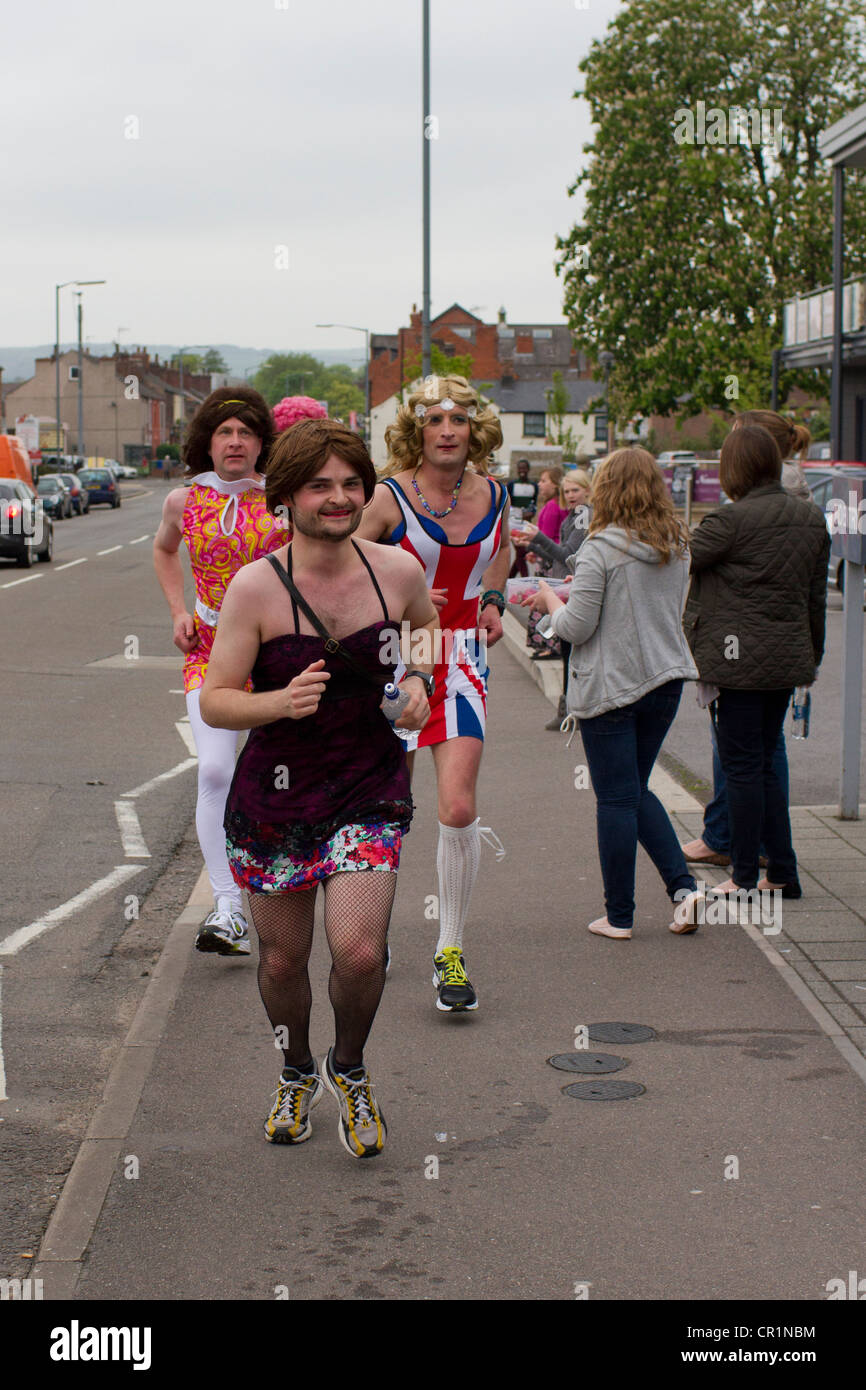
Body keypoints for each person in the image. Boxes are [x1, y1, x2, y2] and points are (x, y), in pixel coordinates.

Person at [199, 419, 437, 1158]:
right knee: (281, 961)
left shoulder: (395, 572)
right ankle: (297, 1066)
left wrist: (422, 683)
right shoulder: (254, 587)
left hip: (367, 785)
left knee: (360, 952)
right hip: (275, 799)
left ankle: (352, 1067)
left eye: (349, 484)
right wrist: (275, 703)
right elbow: (215, 698)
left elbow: (427, 630)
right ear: (288, 498)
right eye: (319, 486)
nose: (338, 498)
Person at [357, 375, 508, 1012]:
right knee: (387, 809)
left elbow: (498, 553)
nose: (448, 430)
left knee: (457, 807)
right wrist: (404, 590)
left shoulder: (495, 494)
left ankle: (450, 950)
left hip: (461, 663)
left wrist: (494, 599)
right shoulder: (389, 498)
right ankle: (371, 934)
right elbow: (342, 562)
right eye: (435, 420)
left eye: (459, 419)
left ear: (475, 428)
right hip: (397, 662)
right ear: (416, 430)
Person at [524, 448, 703, 939]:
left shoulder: (602, 547)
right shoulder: (676, 543)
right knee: (635, 791)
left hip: (613, 685)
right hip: (665, 680)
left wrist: (547, 601)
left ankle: (619, 915)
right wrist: (574, 586)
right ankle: (684, 890)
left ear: (606, 489)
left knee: (616, 800)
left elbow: (578, 627)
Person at [153, 387, 281, 956]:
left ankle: (295, 896)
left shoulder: (281, 500)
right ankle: (227, 906)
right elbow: (163, 551)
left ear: (261, 443)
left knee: (281, 781)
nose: (234, 442)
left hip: (276, 658)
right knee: (212, 772)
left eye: (246, 432)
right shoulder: (183, 501)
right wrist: (179, 610)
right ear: (207, 441)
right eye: (224, 432)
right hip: (208, 653)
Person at [683, 423, 830, 900]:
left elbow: (677, 561)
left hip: (736, 660)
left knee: (742, 768)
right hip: (787, 659)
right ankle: (782, 870)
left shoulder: (728, 522)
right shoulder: (810, 518)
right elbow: (815, 600)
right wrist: (812, 655)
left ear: (732, 468)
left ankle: (744, 876)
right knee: (765, 765)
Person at [516, 468, 593, 727]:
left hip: (575, 590)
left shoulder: (584, 515)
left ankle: (573, 710)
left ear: (587, 490)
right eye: (567, 491)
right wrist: (533, 547)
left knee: (572, 655)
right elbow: (558, 555)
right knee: (567, 653)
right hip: (564, 588)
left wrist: (537, 538)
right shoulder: (572, 516)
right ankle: (568, 708)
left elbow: (569, 553)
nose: (570, 496)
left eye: (575, 490)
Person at [524, 465, 567, 660]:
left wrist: (530, 545)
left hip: (550, 566)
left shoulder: (552, 507)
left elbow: (547, 539)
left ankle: (548, 644)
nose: (539, 484)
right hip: (552, 561)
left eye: (544, 481)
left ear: (555, 484)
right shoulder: (557, 505)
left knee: (544, 604)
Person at [507, 460, 538, 580]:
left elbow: (534, 504)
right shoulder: (511, 485)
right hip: (513, 522)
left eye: (524, 468)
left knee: (521, 552)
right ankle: (526, 579)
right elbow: (507, 503)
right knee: (521, 551)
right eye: (520, 468)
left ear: (528, 469)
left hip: (526, 523)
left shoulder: (533, 486)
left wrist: (531, 513)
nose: (522, 471)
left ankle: (509, 579)